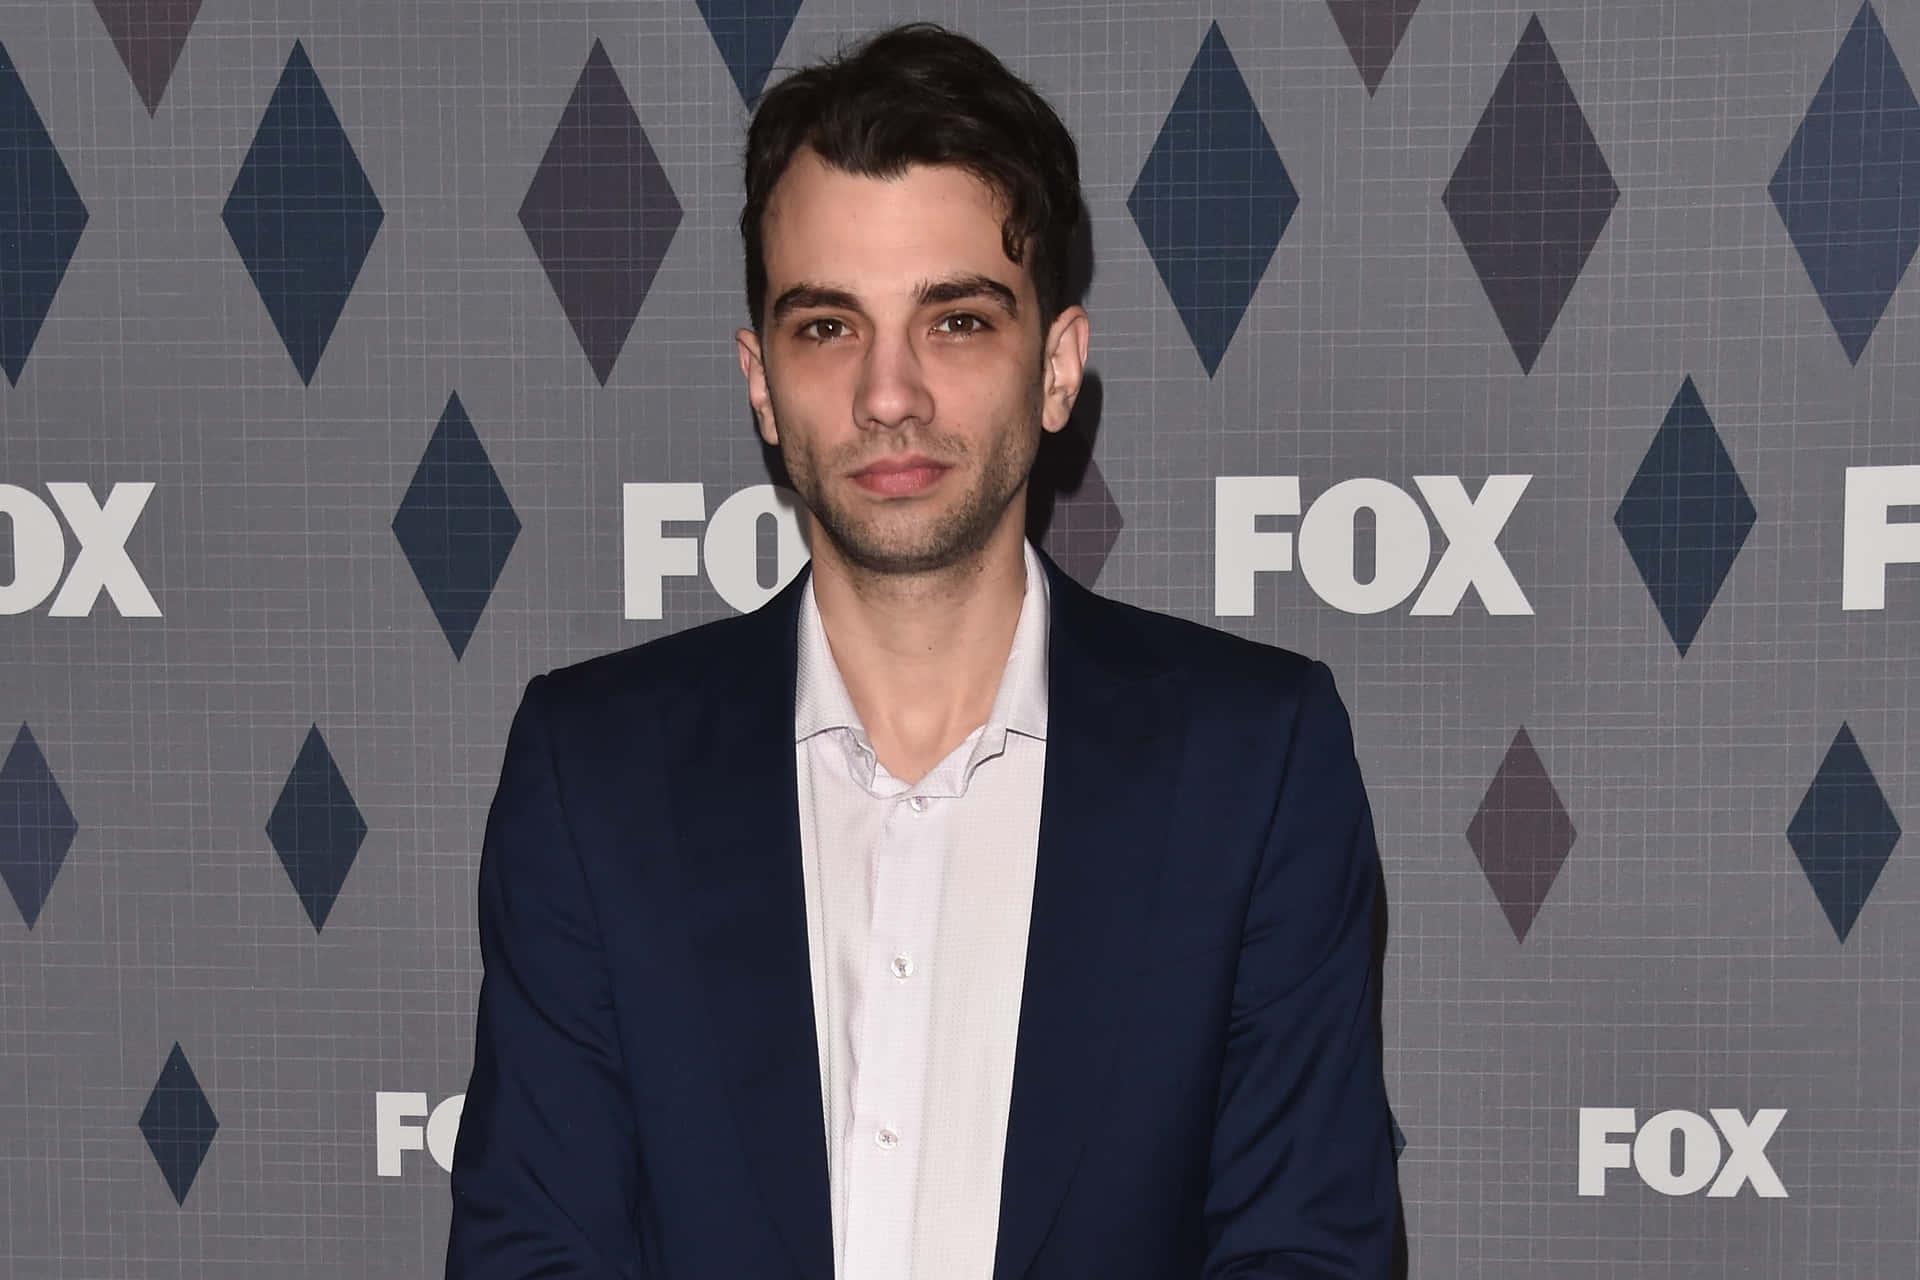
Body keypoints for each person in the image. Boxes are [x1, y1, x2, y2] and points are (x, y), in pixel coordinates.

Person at [446, 21, 1398, 1279]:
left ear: (1056, 368)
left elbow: (1306, 1251)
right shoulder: (593, 772)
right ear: (761, 385)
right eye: (828, 327)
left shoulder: (1255, 762)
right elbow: (534, 1252)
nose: (889, 392)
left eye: (954, 321)